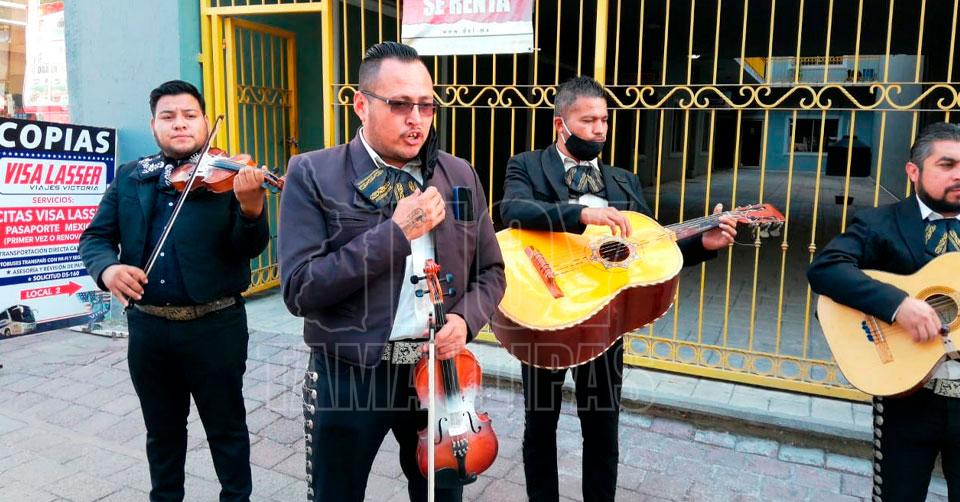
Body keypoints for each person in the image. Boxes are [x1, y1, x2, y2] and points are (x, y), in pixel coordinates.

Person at [278, 42, 505, 502]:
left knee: (441, 495)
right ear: (361, 104)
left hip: (439, 371)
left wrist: (465, 320)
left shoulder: (459, 174)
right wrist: (395, 234)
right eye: (400, 104)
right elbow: (300, 288)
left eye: (426, 105)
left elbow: (492, 271)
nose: (416, 119)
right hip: (350, 374)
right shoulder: (314, 173)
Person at [499, 76, 737, 502]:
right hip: (546, 314)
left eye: (604, 121)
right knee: (540, 428)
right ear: (560, 124)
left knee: (603, 433)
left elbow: (648, 249)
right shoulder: (527, 166)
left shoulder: (624, 180)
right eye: (588, 121)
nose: (599, 130)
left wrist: (703, 243)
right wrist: (581, 216)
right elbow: (512, 210)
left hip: (604, 322)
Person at [79, 80, 269, 501]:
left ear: (205, 121)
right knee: (162, 432)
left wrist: (252, 208)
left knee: (227, 429)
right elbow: (95, 238)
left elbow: (248, 248)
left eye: (189, 115)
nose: (179, 124)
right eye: (168, 117)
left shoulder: (228, 175)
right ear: (154, 126)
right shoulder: (131, 177)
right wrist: (108, 269)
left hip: (216, 326)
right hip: (149, 330)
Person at [808, 122, 960, 501]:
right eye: (947, 165)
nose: (959, 175)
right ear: (913, 171)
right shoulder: (881, 223)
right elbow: (826, 269)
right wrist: (898, 306)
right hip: (907, 394)